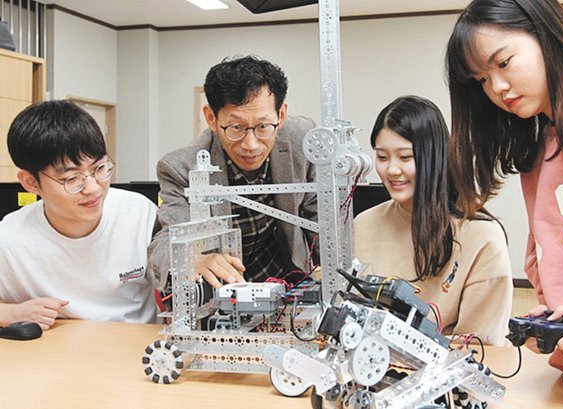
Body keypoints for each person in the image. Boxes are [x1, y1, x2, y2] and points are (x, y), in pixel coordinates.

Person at [446, 0, 563, 406]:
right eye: (482, 80)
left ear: (546, 33)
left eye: (503, 63)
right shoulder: (538, 152)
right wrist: (558, 321)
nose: (497, 88)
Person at [148, 55, 317, 295]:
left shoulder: (303, 140)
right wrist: (190, 258)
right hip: (224, 295)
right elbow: (164, 243)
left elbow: (319, 217)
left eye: (263, 127)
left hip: (290, 283)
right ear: (211, 118)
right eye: (236, 127)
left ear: (281, 115)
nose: (251, 145)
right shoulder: (181, 167)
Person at [354, 95, 513, 345]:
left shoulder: (480, 236)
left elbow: (481, 344)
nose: (392, 170)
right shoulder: (363, 224)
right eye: (382, 157)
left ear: (435, 157)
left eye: (405, 157)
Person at [0, 100, 158, 329]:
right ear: (31, 182)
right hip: (55, 348)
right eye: (71, 179)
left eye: (100, 169)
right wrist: (11, 312)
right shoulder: (9, 238)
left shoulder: (139, 214)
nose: (93, 188)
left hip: (132, 343)